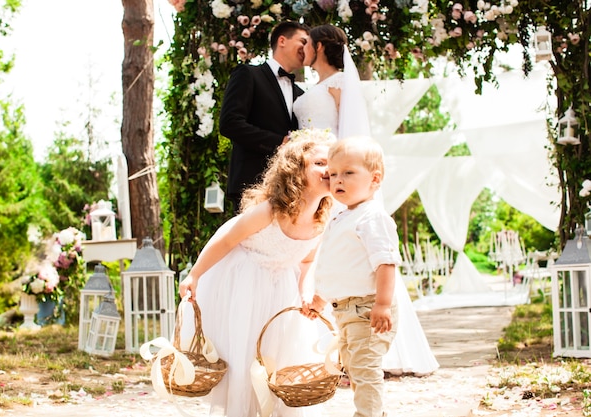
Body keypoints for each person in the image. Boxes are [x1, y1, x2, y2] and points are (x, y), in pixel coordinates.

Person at [295, 24, 439, 377]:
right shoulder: (307, 88)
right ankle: (327, 346)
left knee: (351, 250)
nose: (303, 51)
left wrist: (341, 175)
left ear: (321, 46)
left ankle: (369, 337)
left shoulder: (341, 83)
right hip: (311, 174)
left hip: (333, 172)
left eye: (308, 44)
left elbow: (350, 131)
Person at [178, 129, 336, 417]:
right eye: (319, 163)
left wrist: (304, 292)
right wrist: (195, 274)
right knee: (245, 352)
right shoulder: (272, 210)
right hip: (244, 280)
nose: (328, 170)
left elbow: (307, 261)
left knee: (276, 355)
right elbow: (226, 237)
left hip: (280, 287)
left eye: (331, 164)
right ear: (296, 171)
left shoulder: (321, 221)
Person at [302, 136, 401, 417]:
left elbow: (386, 263)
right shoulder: (341, 216)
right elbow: (338, 266)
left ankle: (367, 414)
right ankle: (373, 412)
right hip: (346, 311)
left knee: (365, 369)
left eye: (348, 172)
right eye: (333, 174)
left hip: (367, 309)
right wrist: (320, 299)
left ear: (375, 179)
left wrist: (382, 304)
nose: (337, 180)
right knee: (355, 368)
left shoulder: (372, 217)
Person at [220, 21, 310, 210]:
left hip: (289, 189)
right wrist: (280, 142)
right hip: (251, 183)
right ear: (282, 40)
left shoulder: (301, 95)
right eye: (302, 41)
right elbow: (230, 123)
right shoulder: (248, 74)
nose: (306, 48)